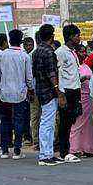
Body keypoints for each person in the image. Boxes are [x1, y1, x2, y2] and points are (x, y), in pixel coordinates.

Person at [0, 28, 33, 160]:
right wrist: (31, 89)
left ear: (9, 40)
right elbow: (29, 78)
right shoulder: (25, 56)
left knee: (4, 121)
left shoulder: (2, 55)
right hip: (20, 94)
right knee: (19, 121)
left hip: (4, 93)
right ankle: (17, 150)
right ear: (20, 41)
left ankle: (4, 150)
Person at [33, 24, 61, 166]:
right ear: (51, 36)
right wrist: (58, 91)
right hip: (49, 91)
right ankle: (45, 155)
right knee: (47, 123)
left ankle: (48, 153)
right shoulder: (49, 52)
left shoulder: (36, 51)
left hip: (40, 89)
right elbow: (52, 74)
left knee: (47, 122)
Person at [66, 53, 93, 161]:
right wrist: (84, 78)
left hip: (91, 98)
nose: (83, 54)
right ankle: (74, 149)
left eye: (84, 51)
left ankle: (91, 148)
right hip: (81, 97)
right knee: (78, 123)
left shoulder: (86, 66)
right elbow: (72, 82)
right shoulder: (75, 68)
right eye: (80, 52)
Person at [56, 25, 83, 160]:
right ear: (71, 36)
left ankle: (70, 148)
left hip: (75, 89)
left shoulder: (73, 52)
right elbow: (58, 72)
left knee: (73, 119)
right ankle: (63, 151)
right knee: (65, 121)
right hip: (66, 90)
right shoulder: (61, 52)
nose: (79, 38)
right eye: (77, 35)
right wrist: (61, 94)